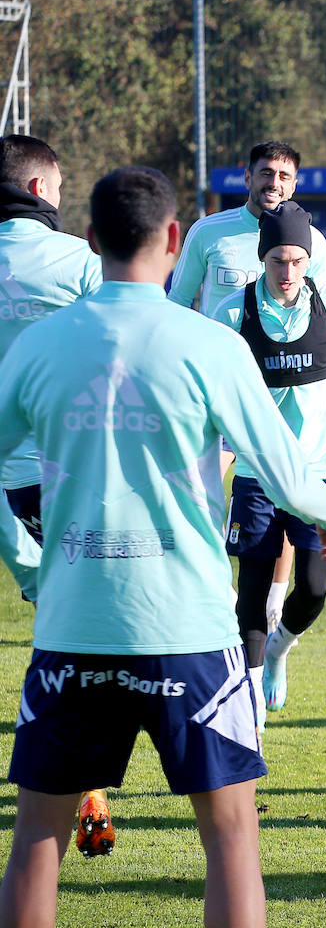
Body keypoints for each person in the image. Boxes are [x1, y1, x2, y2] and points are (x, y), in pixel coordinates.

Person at [0, 165, 326, 928]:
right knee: (231, 836)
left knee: (39, 833)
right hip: (190, 632)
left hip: (73, 625)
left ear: (91, 240)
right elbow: (289, 475)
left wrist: (26, 546)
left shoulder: (38, 348)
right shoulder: (211, 344)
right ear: (174, 240)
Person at [211, 200, 326, 733]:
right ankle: (253, 709)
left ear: (309, 261)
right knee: (255, 589)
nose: (287, 273)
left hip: (319, 473)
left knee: (312, 589)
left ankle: (281, 649)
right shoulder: (231, 314)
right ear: (262, 259)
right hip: (257, 474)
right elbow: (209, 397)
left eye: (296, 261)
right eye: (277, 261)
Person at [168, 141, 326, 669]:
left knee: (278, 510)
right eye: (266, 172)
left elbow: (320, 322)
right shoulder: (208, 233)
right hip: (220, 399)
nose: (275, 182)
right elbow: (177, 306)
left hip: (284, 411)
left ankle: (269, 614)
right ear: (246, 176)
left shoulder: (313, 242)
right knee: (195, 495)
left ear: (296, 183)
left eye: (285, 175)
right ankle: (196, 601)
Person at [0, 134, 115, 858]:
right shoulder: (77, 260)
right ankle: (89, 787)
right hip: (58, 476)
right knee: (74, 637)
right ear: (42, 190)